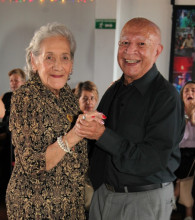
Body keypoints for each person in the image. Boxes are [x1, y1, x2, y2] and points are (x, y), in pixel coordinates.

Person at [74, 17, 185, 220]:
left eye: (141, 44)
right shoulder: (115, 89)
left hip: (143, 199)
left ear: (157, 51)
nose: (130, 50)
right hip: (104, 194)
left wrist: (101, 134)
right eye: (124, 42)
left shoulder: (166, 97)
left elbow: (153, 160)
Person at [5, 22, 92, 219]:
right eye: (49, 57)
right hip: (36, 208)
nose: (58, 65)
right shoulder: (25, 97)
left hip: (69, 205)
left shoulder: (69, 97)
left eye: (65, 57)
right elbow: (33, 164)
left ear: (71, 64)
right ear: (34, 61)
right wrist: (75, 134)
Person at [174, 81, 195, 220]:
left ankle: (174, 197)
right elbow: (178, 138)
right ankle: (188, 213)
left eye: (193, 90)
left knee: (184, 178)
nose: (190, 93)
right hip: (177, 153)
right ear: (182, 96)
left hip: (193, 154)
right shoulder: (177, 113)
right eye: (186, 90)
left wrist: (193, 115)